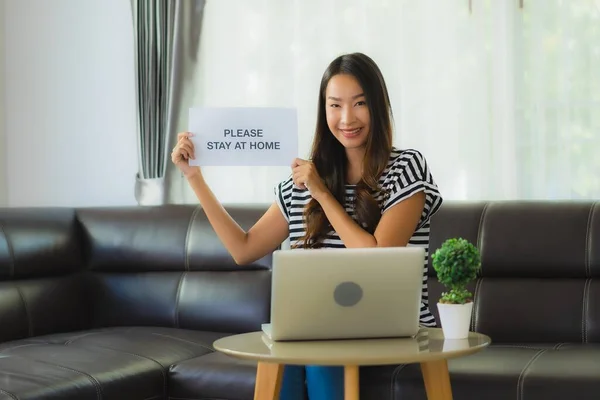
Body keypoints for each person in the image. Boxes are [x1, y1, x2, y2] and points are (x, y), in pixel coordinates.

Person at [171, 52, 443, 400]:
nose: (347, 118)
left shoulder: (406, 168)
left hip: (395, 330)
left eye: (359, 103)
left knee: (318, 358)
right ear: (323, 111)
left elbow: (377, 258)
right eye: (335, 105)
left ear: (378, 106)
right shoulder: (304, 179)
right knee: (283, 359)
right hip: (317, 332)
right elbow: (244, 249)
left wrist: (322, 193)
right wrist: (194, 178)